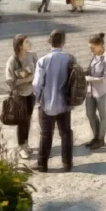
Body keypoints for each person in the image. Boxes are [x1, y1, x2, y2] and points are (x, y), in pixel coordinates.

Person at [31, 30, 75, 172]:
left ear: (49, 42)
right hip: (65, 102)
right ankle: (67, 163)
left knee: (45, 134)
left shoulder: (42, 61)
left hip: (47, 103)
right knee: (66, 133)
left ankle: (42, 164)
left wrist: (38, 98)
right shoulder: (70, 59)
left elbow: (37, 84)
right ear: (64, 42)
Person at [4, 34, 38, 159]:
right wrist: (26, 79)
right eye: (26, 42)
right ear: (19, 45)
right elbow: (10, 81)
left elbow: (38, 71)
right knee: (21, 120)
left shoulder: (32, 55)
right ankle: (21, 146)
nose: (29, 43)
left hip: (31, 93)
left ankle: (26, 143)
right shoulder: (12, 60)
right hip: (19, 95)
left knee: (28, 119)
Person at [84, 33, 106, 149]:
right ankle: (95, 137)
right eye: (90, 48)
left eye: (93, 48)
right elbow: (90, 71)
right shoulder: (94, 56)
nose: (91, 50)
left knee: (103, 116)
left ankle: (100, 139)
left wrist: (88, 79)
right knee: (90, 114)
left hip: (102, 92)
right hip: (90, 91)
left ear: (100, 45)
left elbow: (104, 79)